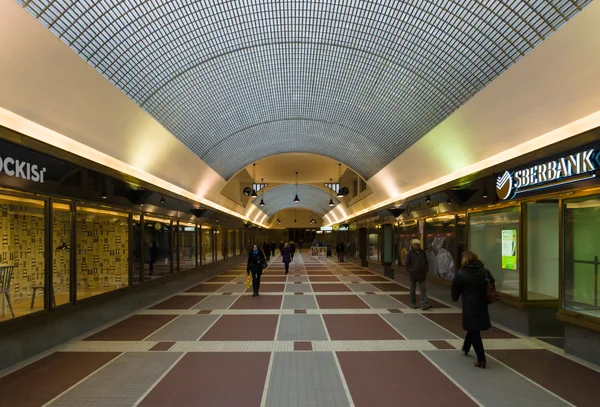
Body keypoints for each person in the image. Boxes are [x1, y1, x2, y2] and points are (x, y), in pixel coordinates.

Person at [451, 251, 495, 369]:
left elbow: (455, 293)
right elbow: (492, 283)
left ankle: (481, 359)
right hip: (482, 304)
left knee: (474, 330)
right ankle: (466, 347)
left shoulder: (461, 274)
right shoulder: (484, 271)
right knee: (473, 327)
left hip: (469, 306)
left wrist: (456, 296)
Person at [404, 239, 431, 310]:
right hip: (413, 275)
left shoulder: (422, 253)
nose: (417, 246)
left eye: (418, 244)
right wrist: (411, 270)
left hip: (422, 275)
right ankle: (413, 303)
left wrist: (425, 270)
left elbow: (426, 262)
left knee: (423, 289)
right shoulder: (410, 253)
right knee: (412, 290)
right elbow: (406, 264)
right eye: (416, 244)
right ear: (412, 245)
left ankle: (424, 304)